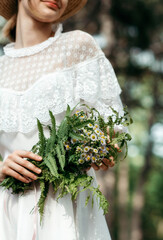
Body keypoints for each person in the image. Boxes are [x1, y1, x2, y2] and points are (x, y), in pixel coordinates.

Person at [0, 0, 125, 239]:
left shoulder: (78, 45)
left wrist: (104, 149)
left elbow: (111, 129)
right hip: (8, 212)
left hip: (66, 205)